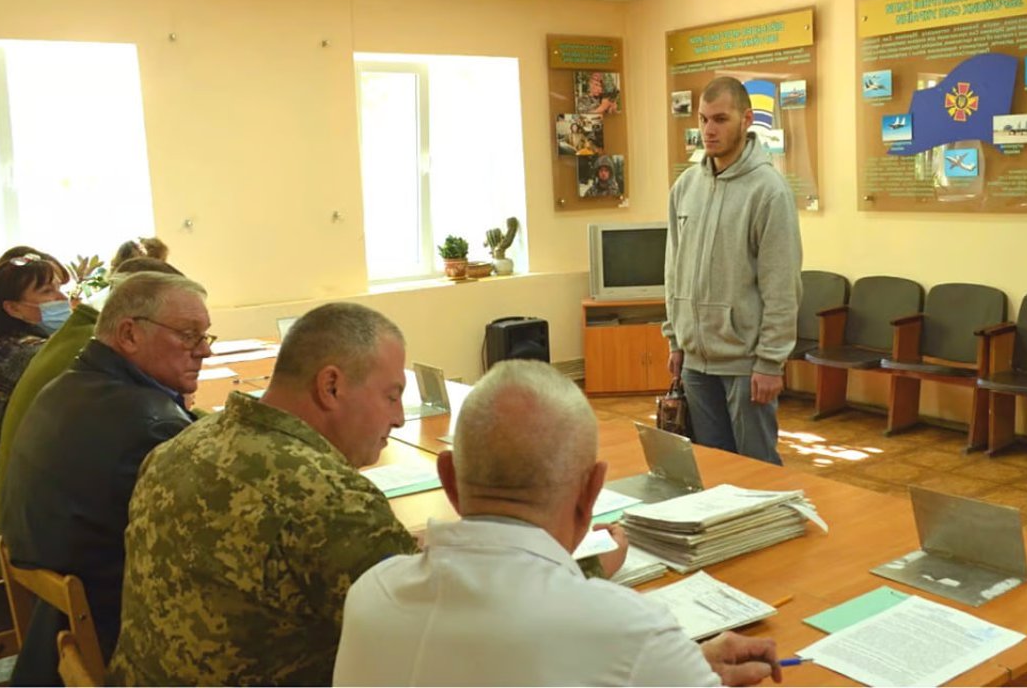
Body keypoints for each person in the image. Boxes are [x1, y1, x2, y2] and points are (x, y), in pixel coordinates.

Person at [333, 359, 782, 687]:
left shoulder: (371, 596)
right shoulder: (630, 631)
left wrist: (676, 667)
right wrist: (672, 665)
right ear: (591, 492)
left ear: (448, 478)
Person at [109, 302, 419, 686]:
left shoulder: (180, 445)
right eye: (391, 396)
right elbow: (426, 644)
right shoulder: (334, 502)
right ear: (331, 386)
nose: (399, 418)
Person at [0, 271, 209, 685]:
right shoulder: (152, 426)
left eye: (205, 336)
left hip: (53, 611)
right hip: (118, 628)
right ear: (129, 334)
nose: (204, 350)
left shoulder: (66, 385)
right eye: (189, 336)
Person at [0, 257, 182, 561]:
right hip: (40, 550)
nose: (62, 298)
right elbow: (159, 426)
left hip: (22, 532)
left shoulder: (73, 336)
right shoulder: (92, 347)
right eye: (182, 328)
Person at [662, 77, 803, 465]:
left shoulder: (769, 191)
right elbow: (673, 268)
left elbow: (781, 285)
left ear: (747, 119)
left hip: (746, 364)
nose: (708, 130)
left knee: (757, 471)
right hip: (695, 361)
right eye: (703, 119)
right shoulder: (685, 186)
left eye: (720, 119)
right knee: (711, 467)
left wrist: (771, 362)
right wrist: (675, 339)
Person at [0, 247, 67, 587]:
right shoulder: (26, 351)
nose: (62, 299)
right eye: (47, 291)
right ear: (13, 308)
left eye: (59, 288)